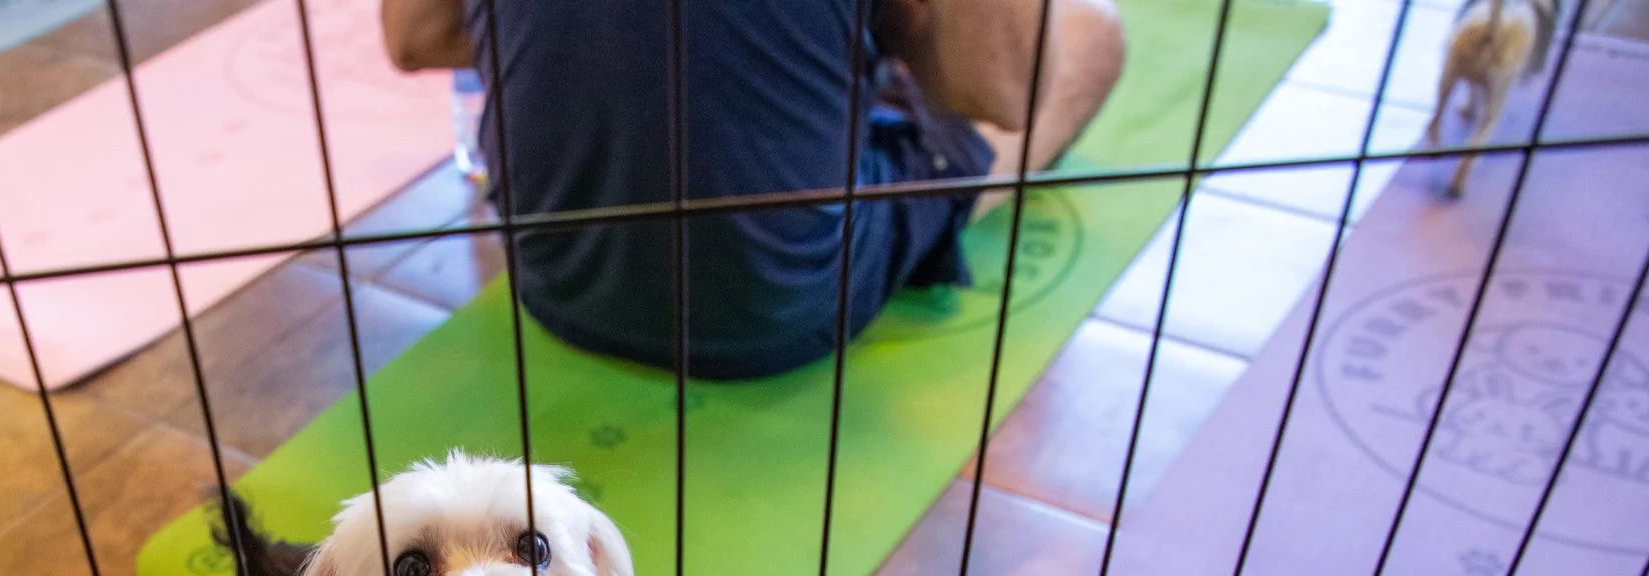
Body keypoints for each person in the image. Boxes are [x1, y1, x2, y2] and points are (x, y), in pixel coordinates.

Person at [381, 0, 1125, 379]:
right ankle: (934, 202)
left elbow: (415, 33)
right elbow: (1002, 90)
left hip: (555, 272)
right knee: (1090, 32)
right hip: (775, 306)